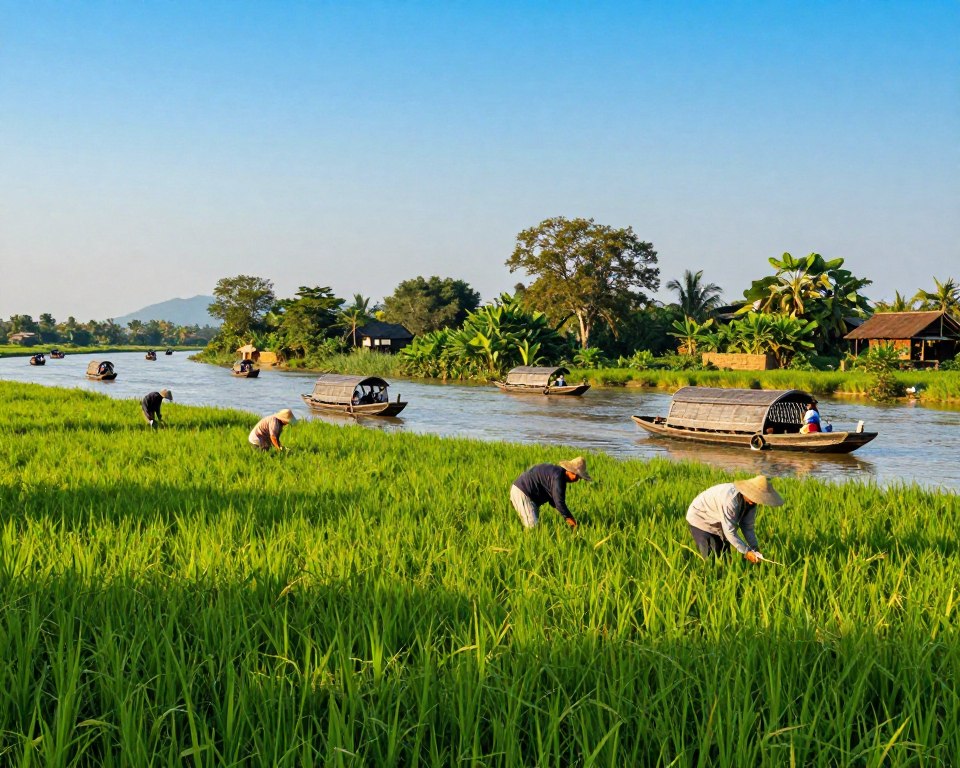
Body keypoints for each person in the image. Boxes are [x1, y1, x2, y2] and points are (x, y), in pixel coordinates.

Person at [685, 475, 784, 562]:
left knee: (725, 555)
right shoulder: (730, 501)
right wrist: (746, 551)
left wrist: (755, 548)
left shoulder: (751, 503)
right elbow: (730, 532)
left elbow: (747, 527)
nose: (754, 501)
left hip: (718, 520)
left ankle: (725, 577)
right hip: (700, 518)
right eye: (754, 496)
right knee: (711, 558)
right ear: (747, 491)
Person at [510, 457, 592, 529]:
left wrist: (566, 516)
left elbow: (554, 501)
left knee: (535, 526)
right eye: (577, 476)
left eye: (579, 477)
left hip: (525, 494)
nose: (576, 479)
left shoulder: (557, 474)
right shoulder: (558, 477)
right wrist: (571, 520)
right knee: (533, 528)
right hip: (523, 493)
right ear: (570, 471)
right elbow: (559, 503)